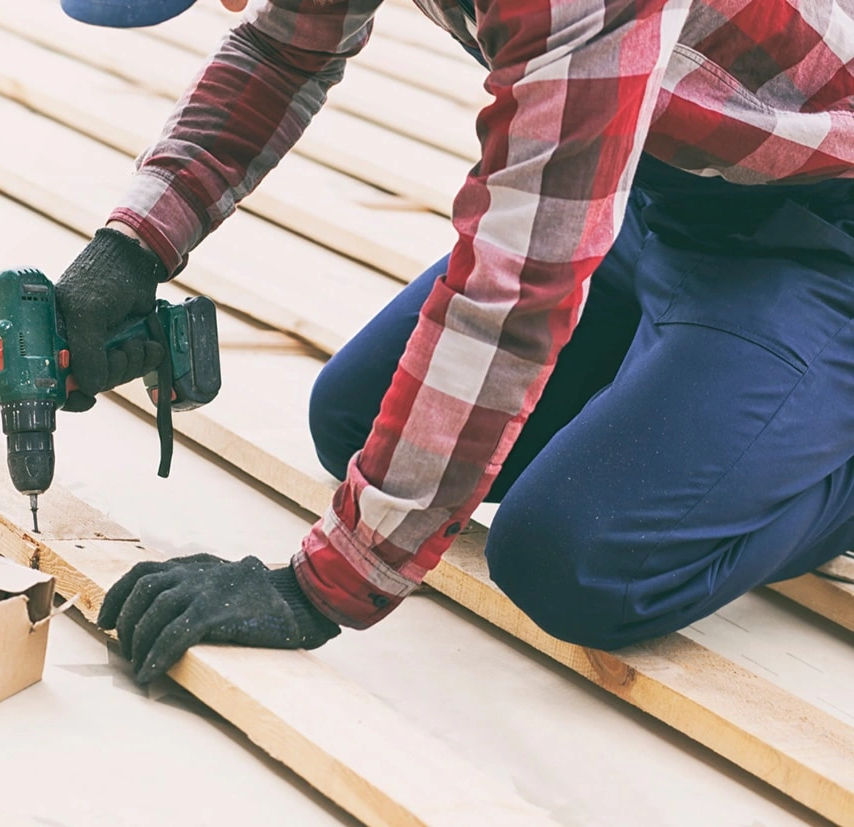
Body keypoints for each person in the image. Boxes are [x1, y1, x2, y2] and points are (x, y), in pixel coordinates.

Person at [52, 0, 854, 684]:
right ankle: (718, 381)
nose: (229, 4)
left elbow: (515, 286)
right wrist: (132, 247)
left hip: (821, 226)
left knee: (577, 564)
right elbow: (280, 44)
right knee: (353, 426)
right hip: (654, 179)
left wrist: (322, 586)